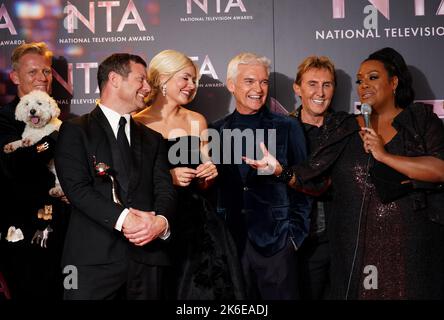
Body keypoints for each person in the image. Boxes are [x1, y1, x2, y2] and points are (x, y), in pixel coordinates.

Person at [244, 47, 444, 299]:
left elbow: (440, 168)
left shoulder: (420, 119)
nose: (364, 85)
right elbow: (315, 178)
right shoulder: (346, 127)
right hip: (354, 250)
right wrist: (281, 172)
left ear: (394, 82)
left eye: (373, 77)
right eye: (359, 80)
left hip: (411, 246)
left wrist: (385, 156)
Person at [54, 53, 176, 300]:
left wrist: (161, 223)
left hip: (147, 260)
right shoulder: (75, 130)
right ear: (114, 79)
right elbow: (76, 189)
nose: (147, 88)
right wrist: (125, 220)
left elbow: (165, 190)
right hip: (90, 263)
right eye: (140, 79)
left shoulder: (153, 138)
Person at [134, 49, 245, 300]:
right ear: (163, 79)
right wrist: (169, 178)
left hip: (199, 227)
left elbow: (206, 185)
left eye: (193, 79)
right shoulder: (137, 123)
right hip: (157, 223)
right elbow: (130, 180)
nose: (191, 85)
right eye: (185, 78)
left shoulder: (197, 120)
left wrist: (209, 174)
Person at [211, 52, 312, 300]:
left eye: (264, 82)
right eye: (249, 81)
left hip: (277, 243)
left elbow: (304, 182)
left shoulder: (287, 126)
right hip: (232, 244)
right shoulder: (215, 130)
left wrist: (294, 236)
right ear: (231, 85)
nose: (258, 88)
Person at [0, 42, 69, 299]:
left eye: (47, 72)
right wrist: (52, 140)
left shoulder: (61, 120)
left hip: (61, 230)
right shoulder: (5, 117)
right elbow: (17, 164)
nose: (42, 78)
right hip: (23, 232)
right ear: (15, 77)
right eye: (33, 72)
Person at [290, 56, 337, 299]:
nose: (320, 92)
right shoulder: (283, 130)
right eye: (312, 84)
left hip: (344, 238)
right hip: (303, 241)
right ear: (297, 88)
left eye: (327, 84)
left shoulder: (345, 128)